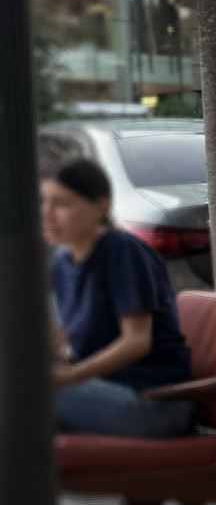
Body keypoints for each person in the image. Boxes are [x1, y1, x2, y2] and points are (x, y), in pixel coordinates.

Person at [44, 158, 195, 438]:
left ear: (100, 206)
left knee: (23, 393)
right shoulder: (62, 264)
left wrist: (72, 375)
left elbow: (137, 341)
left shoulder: (122, 251)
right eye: (43, 202)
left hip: (153, 401)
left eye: (62, 204)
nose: (47, 214)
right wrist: (56, 353)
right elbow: (82, 347)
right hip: (103, 390)